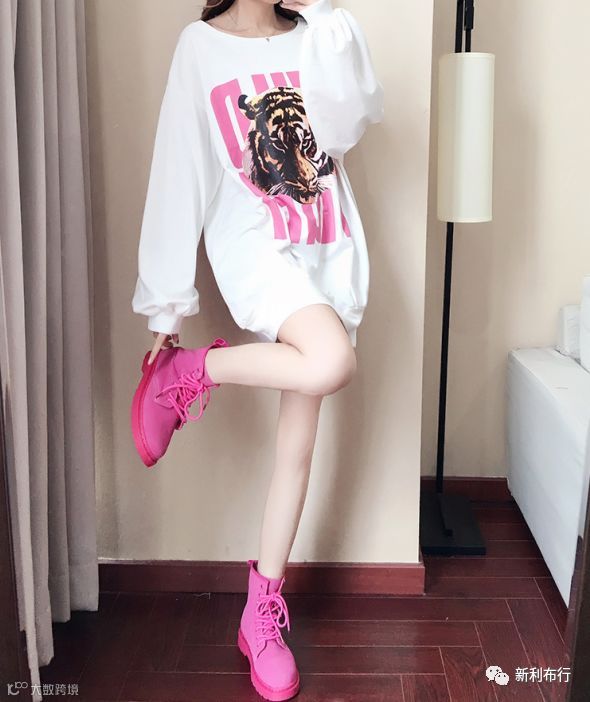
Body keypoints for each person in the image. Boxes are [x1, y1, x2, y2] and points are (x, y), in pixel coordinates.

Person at [130, 0, 384, 698]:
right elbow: (178, 172)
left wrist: (323, 15)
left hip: (325, 243)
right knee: (331, 361)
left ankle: (260, 616)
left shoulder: (313, 37)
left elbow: (348, 124)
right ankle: (189, 370)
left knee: (296, 451)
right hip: (255, 246)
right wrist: (166, 306)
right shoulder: (199, 47)